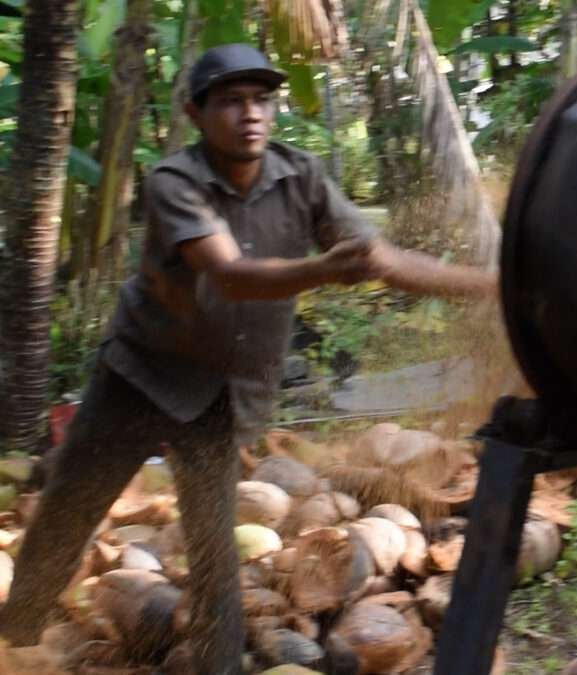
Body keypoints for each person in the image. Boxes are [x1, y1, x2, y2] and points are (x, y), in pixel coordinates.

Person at [0, 43, 495, 672]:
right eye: (232, 101)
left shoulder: (302, 176)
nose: (251, 113)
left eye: (261, 99)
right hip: (139, 375)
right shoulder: (175, 181)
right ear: (196, 112)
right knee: (73, 504)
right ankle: (16, 636)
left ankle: (220, 664)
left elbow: (383, 261)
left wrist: (490, 288)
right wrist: (321, 269)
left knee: (214, 547)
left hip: (215, 392)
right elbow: (228, 274)